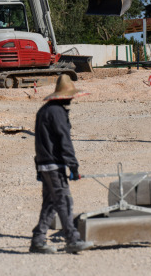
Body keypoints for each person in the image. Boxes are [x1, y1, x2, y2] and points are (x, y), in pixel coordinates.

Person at [30, 75, 94, 255]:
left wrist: (38, 167)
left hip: (44, 164)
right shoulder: (58, 113)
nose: (72, 98)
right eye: (71, 95)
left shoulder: (43, 111)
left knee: (50, 204)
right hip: (54, 165)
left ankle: (38, 240)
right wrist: (73, 166)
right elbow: (64, 141)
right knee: (65, 201)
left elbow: (39, 142)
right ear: (65, 96)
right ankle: (72, 240)